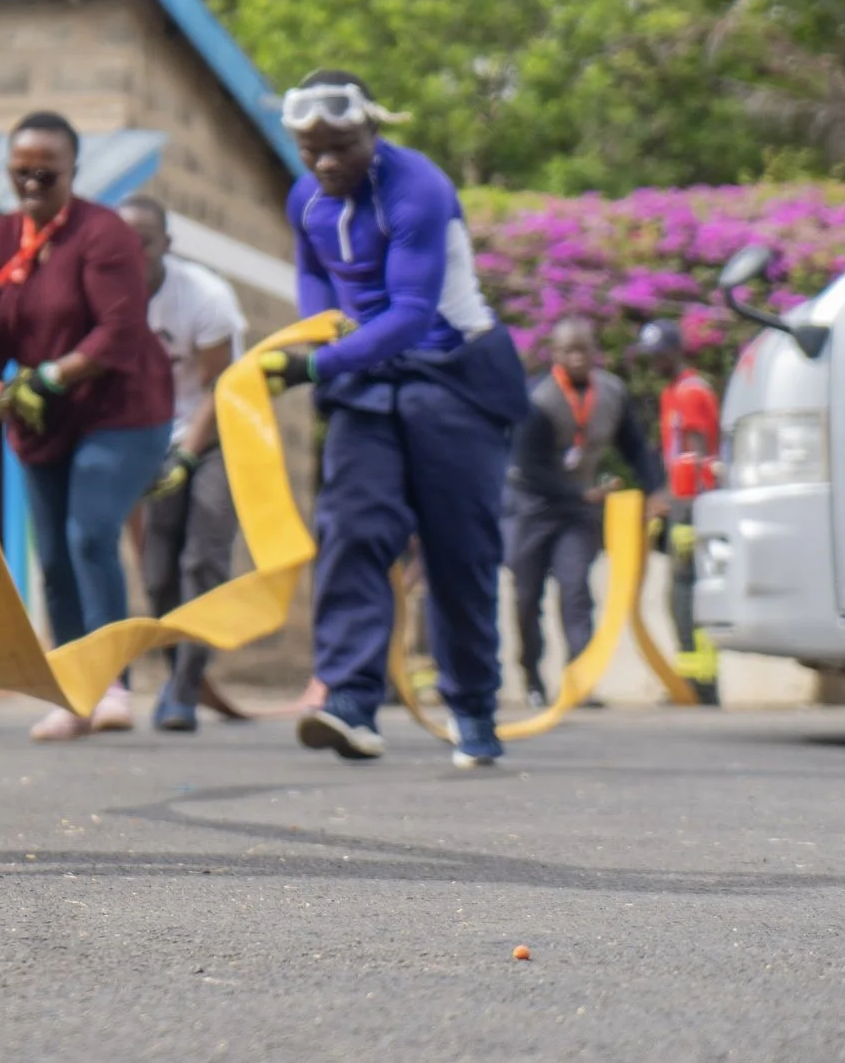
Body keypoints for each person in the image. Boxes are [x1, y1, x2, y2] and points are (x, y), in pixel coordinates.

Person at [272, 71, 529, 769]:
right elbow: (315, 280)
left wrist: (316, 366)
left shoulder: (418, 189)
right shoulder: (305, 198)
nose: (326, 162)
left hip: (451, 376)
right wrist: (322, 337)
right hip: (367, 382)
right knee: (352, 529)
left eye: (342, 146)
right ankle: (351, 703)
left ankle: (472, 708)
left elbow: (412, 314)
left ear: (373, 131)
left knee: (457, 550)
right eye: (311, 150)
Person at [0, 114, 174, 741]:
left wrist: (50, 377)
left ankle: (112, 685)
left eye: (48, 172)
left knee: (90, 534)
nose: (33, 183)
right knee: (54, 559)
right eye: (23, 172)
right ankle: (71, 690)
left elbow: (118, 331)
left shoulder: (104, 234)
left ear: (72, 171)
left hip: (122, 411)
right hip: (42, 421)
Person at [119, 195, 246, 734]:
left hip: (216, 435)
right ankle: (179, 674)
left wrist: (188, 454)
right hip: (149, 436)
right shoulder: (103, 296)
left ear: (166, 245)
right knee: (157, 571)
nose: (132, 252)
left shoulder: (204, 296)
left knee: (202, 561)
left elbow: (221, 385)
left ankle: (183, 691)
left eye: (144, 242)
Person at [507, 318, 667, 709]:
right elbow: (529, 467)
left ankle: (580, 680)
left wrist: (655, 488)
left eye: (584, 349)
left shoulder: (612, 392)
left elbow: (634, 446)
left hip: (577, 513)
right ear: (556, 354)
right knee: (527, 597)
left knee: (576, 589)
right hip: (532, 507)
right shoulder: (538, 399)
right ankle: (532, 678)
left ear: (595, 351)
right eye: (569, 350)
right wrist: (581, 493)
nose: (578, 357)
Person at [634, 317, 722, 704]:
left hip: (692, 506)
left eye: (659, 354)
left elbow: (697, 456)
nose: (654, 362)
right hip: (681, 503)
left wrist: (674, 502)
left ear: (675, 352)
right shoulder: (673, 392)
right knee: (681, 593)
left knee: (687, 592)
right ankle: (693, 681)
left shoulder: (689, 393)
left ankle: (701, 684)